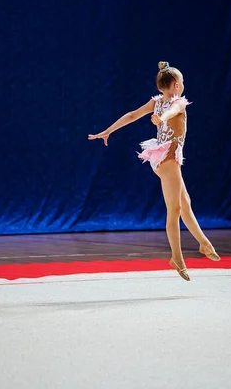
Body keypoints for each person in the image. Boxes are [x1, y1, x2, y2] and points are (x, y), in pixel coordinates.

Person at [88, 61, 220, 281]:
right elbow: (172, 110)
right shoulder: (177, 103)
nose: (184, 85)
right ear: (176, 85)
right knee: (175, 209)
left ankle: (204, 244)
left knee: (184, 203)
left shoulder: (158, 103)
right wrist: (110, 130)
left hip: (163, 159)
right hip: (167, 160)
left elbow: (133, 115)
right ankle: (177, 257)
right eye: (183, 82)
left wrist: (109, 130)